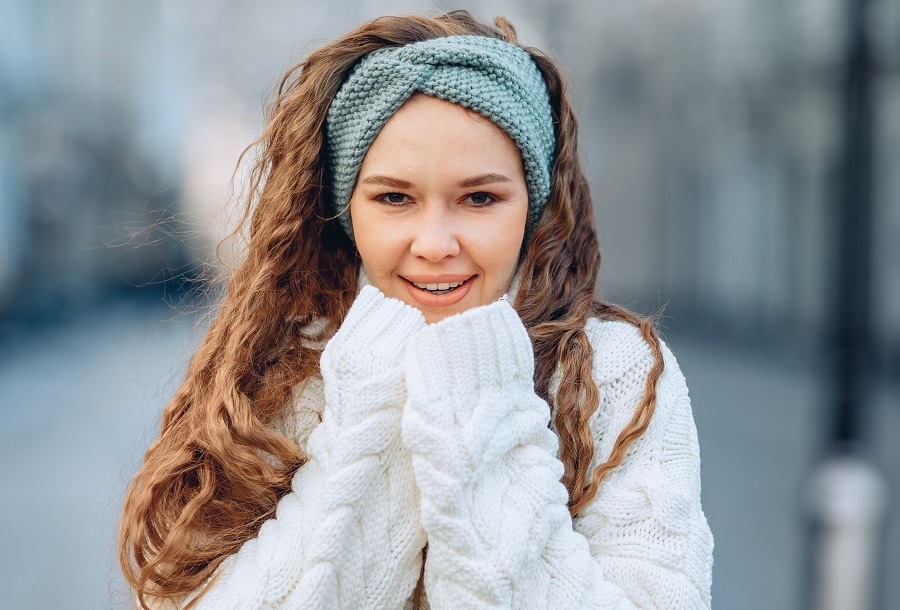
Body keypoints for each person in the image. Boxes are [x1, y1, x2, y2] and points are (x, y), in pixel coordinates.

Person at [119, 10, 713, 610]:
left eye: (479, 198)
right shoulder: (277, 376)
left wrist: (482, 404)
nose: (434, 244)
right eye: (395, 198)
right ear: (346, 210)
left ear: (531, 205)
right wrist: (369, 423)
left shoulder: (613, 373)